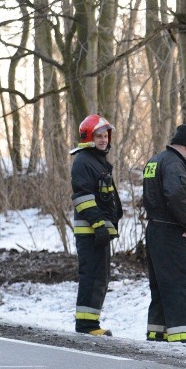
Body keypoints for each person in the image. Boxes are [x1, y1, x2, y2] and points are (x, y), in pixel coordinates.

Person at [142, 124, 186, 344]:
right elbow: (175, 194)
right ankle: (183, 338)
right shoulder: (176, 164)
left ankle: (157, 333)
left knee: (160, 285)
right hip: (171, 230)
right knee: (181, 284)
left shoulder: (155, 160)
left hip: (155, 229)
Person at [70, 114, 123, 336]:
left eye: (105, 136)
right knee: (92, 276)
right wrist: (99, 225)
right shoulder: (83, 161)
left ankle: (91, 323)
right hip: (90, 231)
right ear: (88, 137)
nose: (103, 140)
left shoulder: (97, 161)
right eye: (98, 136)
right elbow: (83, 198)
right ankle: (86, 325)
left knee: (99, 277)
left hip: (99, 231)